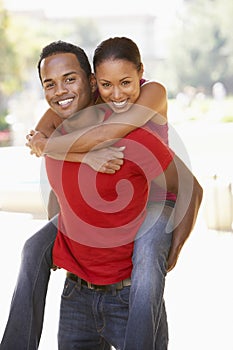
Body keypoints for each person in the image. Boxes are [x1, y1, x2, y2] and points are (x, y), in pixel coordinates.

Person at [0, 39, 202, 350]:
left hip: (157, 196)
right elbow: (41, 143)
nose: (117, 93)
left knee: (148, 256)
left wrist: (172, 255)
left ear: (91, 82)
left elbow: (107, 135)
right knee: (32, 248)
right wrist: (77, 155)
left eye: (70, 79)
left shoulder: (146, 101)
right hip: (80, 293)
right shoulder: (72, 121)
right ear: (99, 84)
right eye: (50, 84)